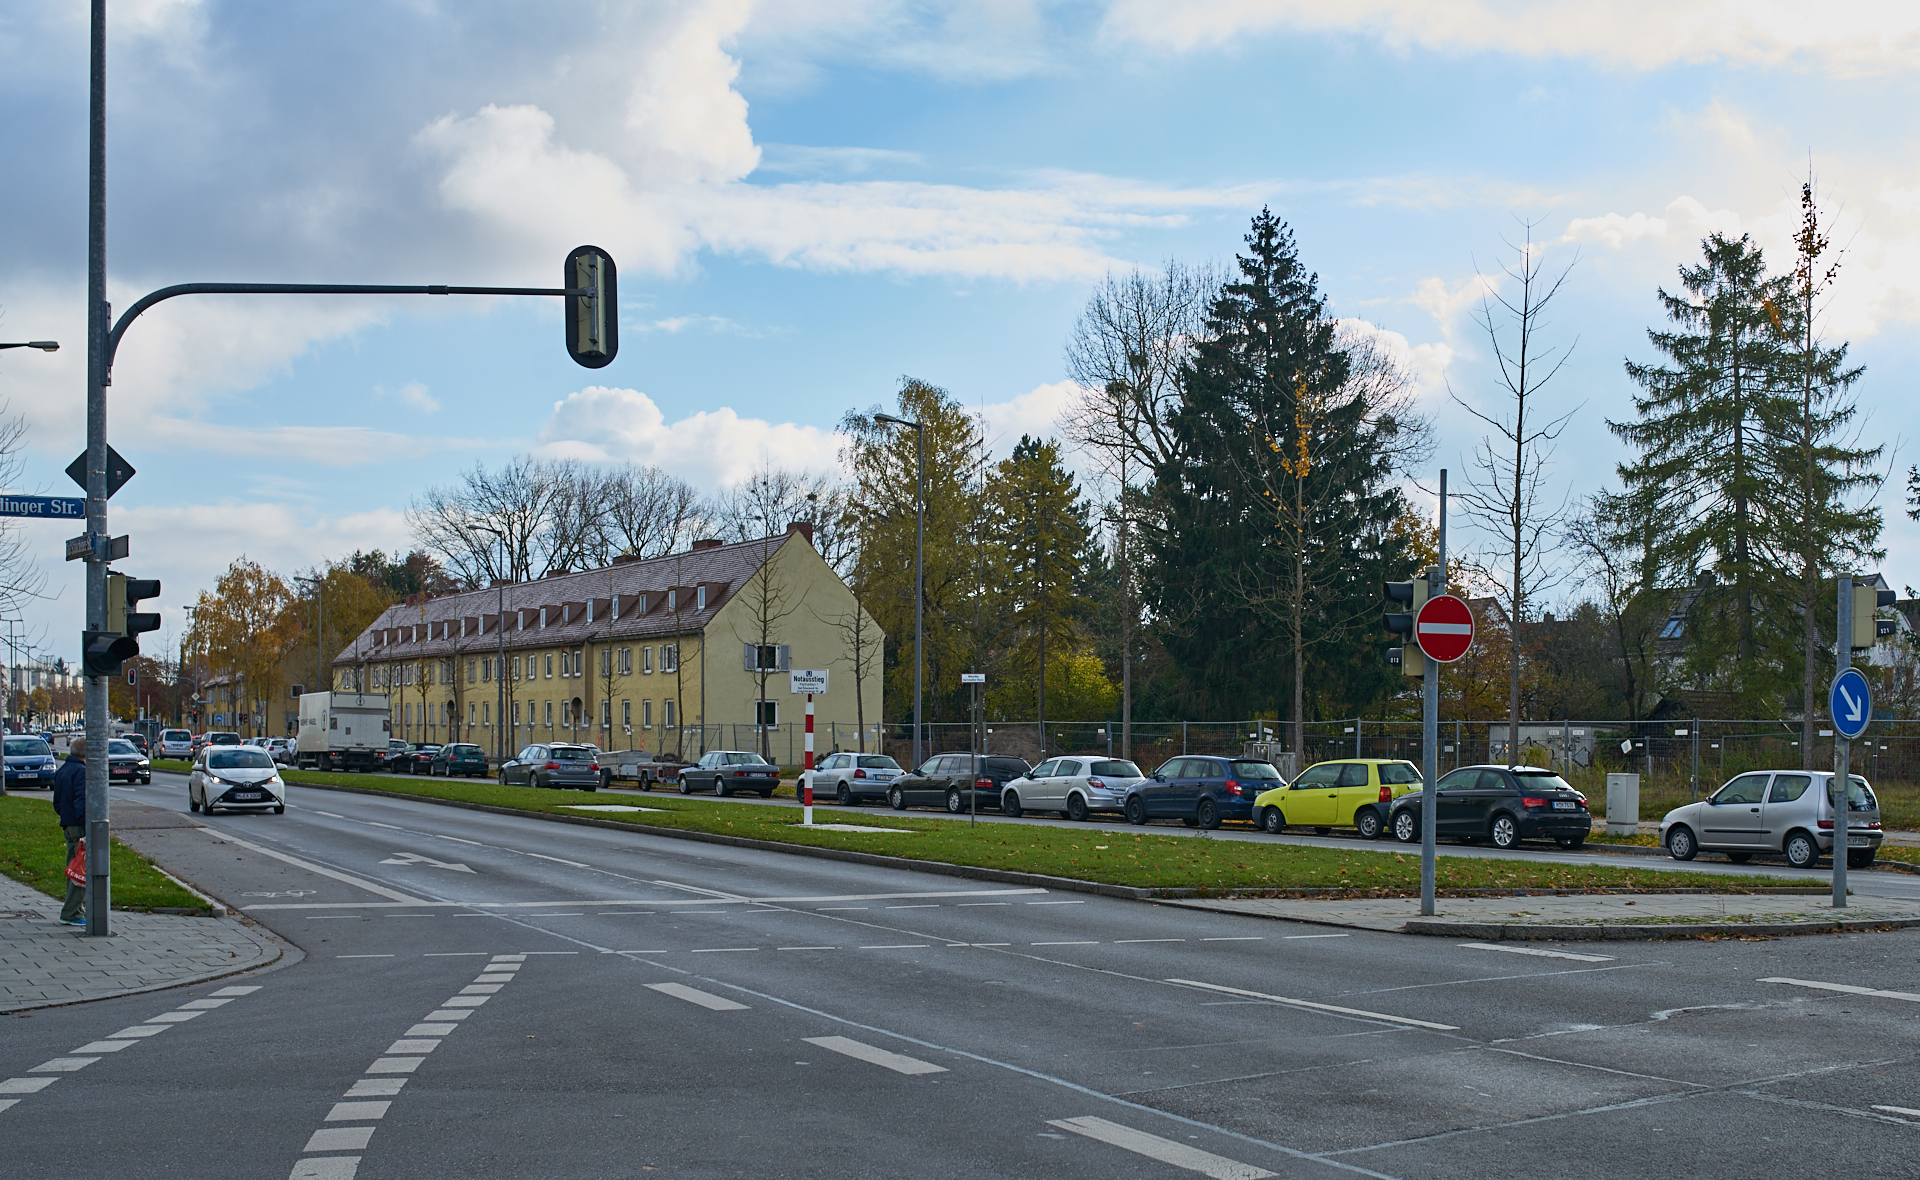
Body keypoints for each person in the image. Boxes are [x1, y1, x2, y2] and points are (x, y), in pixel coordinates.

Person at [52, 736, 87, 927]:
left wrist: (66, 816)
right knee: (80, 870)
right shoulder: (81, 771)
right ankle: (72, 912)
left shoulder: (63, 769)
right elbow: (81, 802)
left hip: (68, 824)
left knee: (73, 866)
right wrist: (86, 826)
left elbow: (57, 802)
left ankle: (75, 908)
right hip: (79, 826)